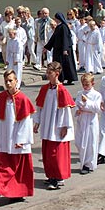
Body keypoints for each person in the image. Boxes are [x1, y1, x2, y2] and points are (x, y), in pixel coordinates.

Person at [0, 70, 35, 204]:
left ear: (16, 81)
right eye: (6, 81)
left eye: (11, 80)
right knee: (0, 166)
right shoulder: (1, 98)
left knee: (17, 168)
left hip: (17, 139)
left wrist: (21, 140)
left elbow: (26, 122)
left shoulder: (23, 99)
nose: (8, 83)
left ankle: (17, 193)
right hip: (4, 138)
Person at [33, 62, 75, 190]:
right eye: (47, 72)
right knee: (47, 153)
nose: (47, 75)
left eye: (49, 73)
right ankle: (51, 175)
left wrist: (64, 126)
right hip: (47, 124)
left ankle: (57, 177)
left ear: (56, 74)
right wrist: (37, 122)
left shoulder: (61, 90)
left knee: (56, 154)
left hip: (56, 125)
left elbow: (65, 110)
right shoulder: (45, 89)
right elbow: (40, 107)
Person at [74, 73, 102, 174]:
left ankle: (88, 164)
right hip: (82, 119)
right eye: (83, 85)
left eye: (87, 85)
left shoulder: (96, 95)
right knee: (80, 142)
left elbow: (97, 108)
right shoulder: (79, 93)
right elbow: (76, 104)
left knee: (90, 143)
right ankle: (83, 161)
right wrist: (77, 109)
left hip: (91, 120)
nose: (85, 87)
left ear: (92, 83)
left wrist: (87, 102)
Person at [43, 12, 78, 85]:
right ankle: (60, 78)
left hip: (64, 50)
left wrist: (65, 49)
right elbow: (53, 38)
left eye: (56, 18)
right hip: (58, 50)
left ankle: (69, 78)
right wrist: (46, 47)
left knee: (67, 64)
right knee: (58, 64)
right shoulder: (58, 27)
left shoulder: (64, 27)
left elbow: (65, 38)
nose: (55, 19)